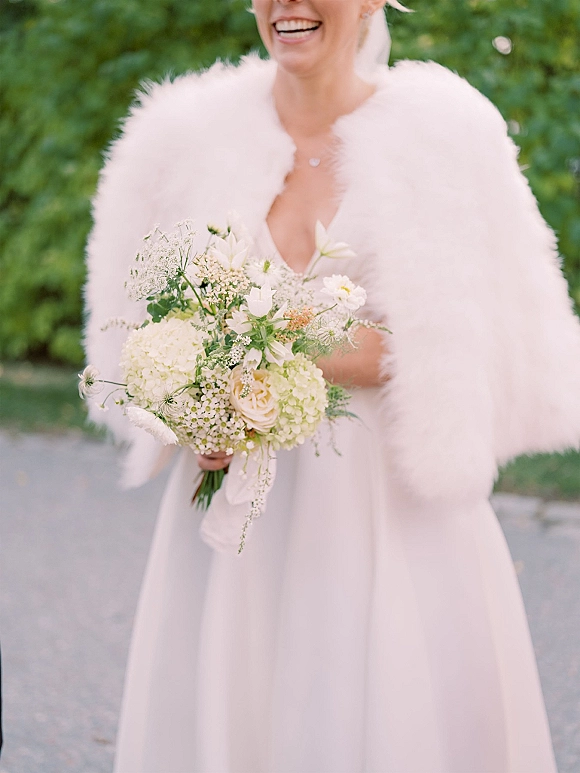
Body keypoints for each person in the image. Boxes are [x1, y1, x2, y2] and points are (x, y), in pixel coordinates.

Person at [85, 1, 580, 771]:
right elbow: (124, 336)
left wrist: (276, 343)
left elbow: (487, 339)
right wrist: (189, 410)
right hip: (234, 534)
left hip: (391, 513)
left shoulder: (447, 137)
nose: (289, 3)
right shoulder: (176, 140)